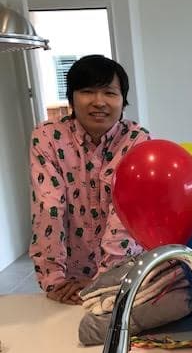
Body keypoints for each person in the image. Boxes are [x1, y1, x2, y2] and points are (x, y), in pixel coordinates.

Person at [29, 54, 150, 304]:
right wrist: (54, 279)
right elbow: (48, 208)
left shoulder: (136, 140)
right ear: (72, 98)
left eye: (109, 93)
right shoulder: (48, 137)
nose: (99, 102)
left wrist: (104, 280)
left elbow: (124, 215)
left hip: (124, 273)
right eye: (87, 91)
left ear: (123, 101)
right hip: (70, 278)